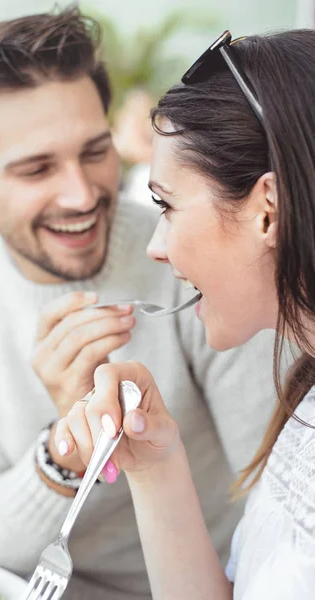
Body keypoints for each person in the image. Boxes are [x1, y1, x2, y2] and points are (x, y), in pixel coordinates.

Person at [0, 12, 275, 600]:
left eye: (94, 151)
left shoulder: (194, 259)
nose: (82, 196)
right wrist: (64, 447)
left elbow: (275, 488)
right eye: (36, 168)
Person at [56, 29, 315, 599]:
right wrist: (155, 462)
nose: (156, 245)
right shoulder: (305, 406)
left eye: (166, 206)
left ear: (267, 211)